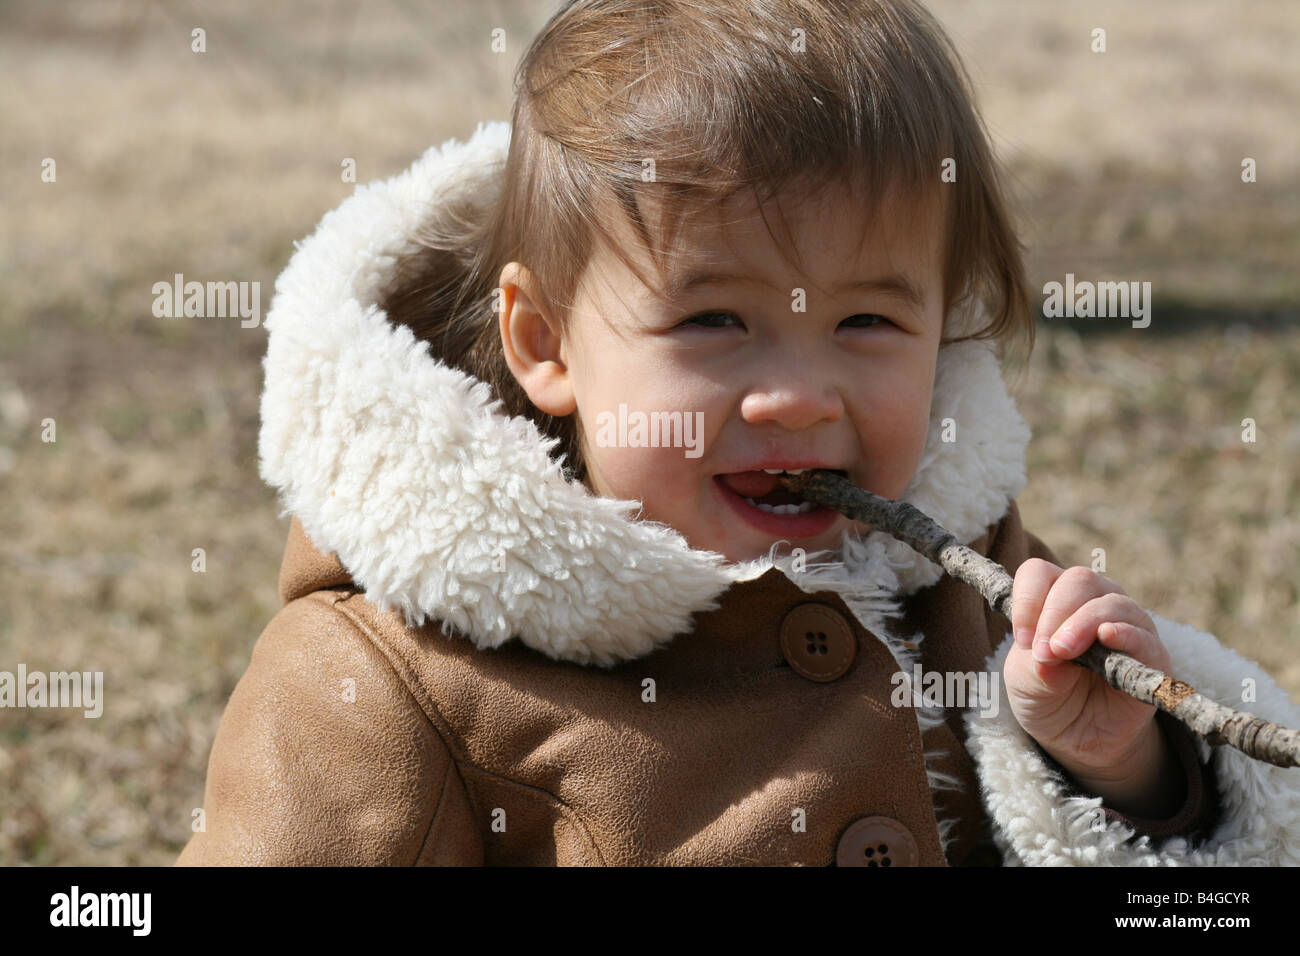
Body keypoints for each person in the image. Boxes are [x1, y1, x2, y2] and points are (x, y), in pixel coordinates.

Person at [176, 0, 1300, 865]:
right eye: (715, 320)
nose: (801, 396)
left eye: (868, 319)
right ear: (546, 341)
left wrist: (1123, 764)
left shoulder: (975, 578)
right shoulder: (383, 681)